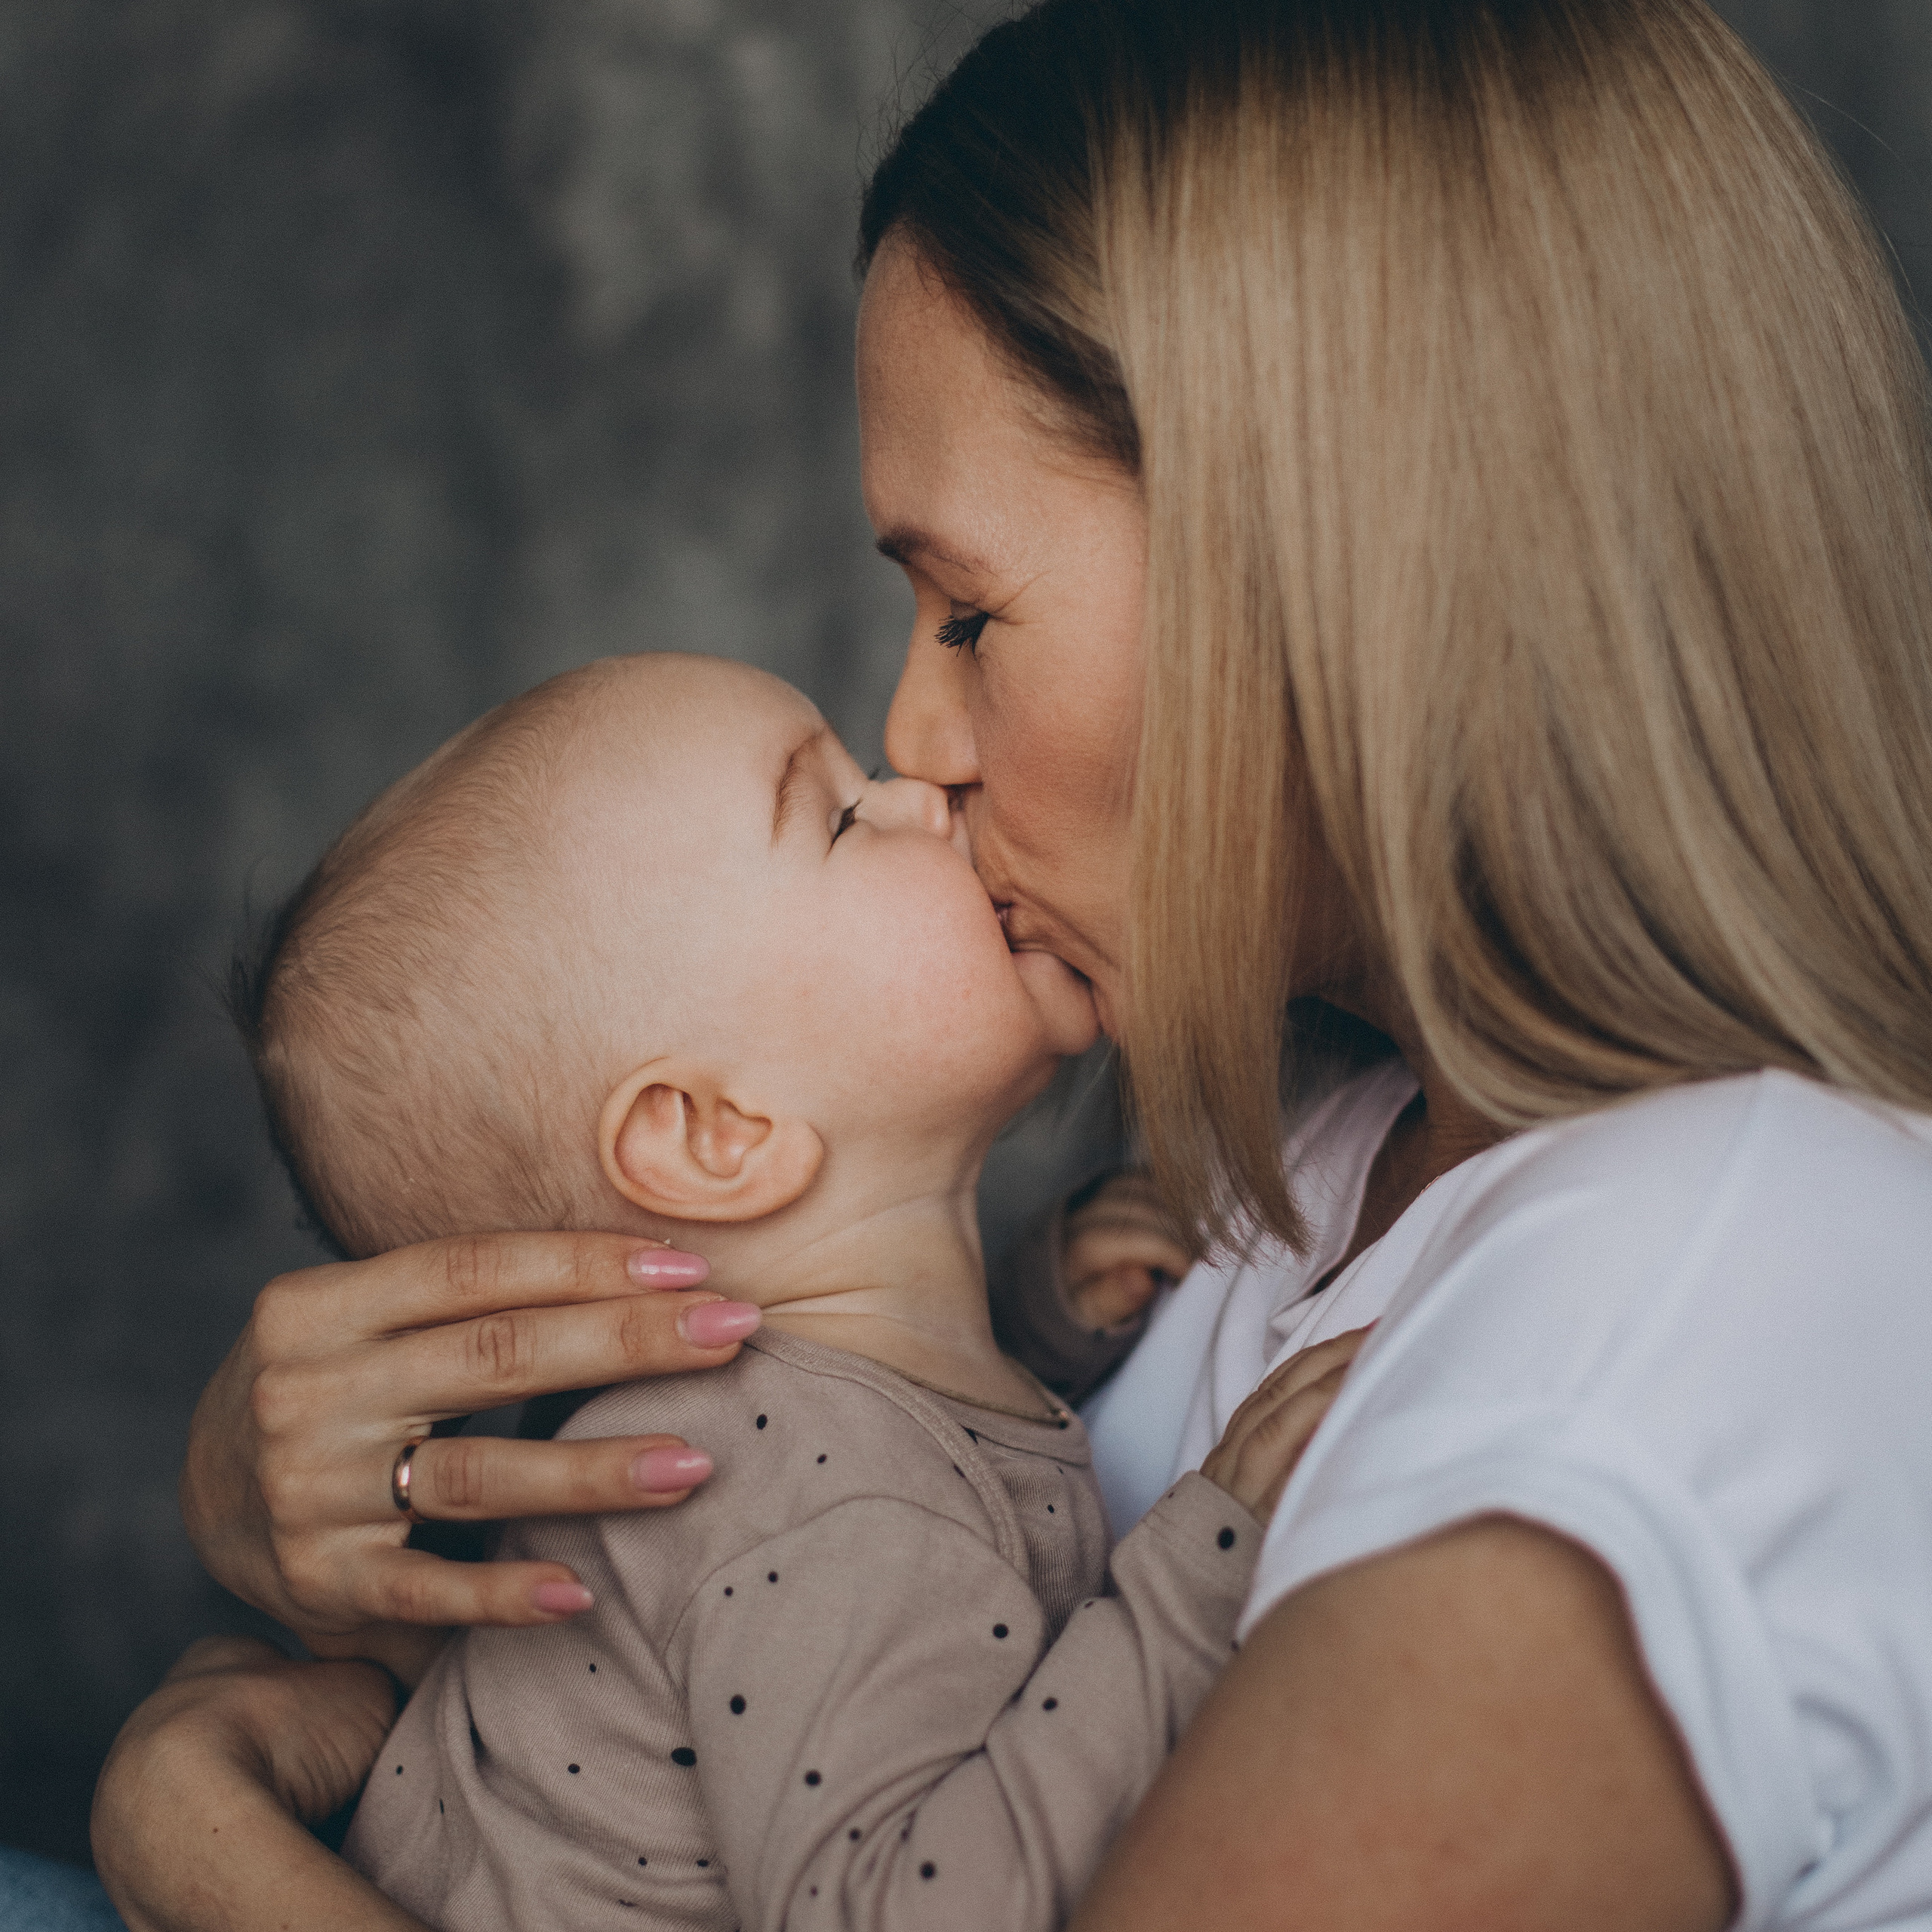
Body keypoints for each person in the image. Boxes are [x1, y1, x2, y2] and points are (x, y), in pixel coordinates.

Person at [89, 1, 1932, 1927]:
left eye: (967, 613)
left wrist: (202, 1841)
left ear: (1333, 572)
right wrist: (305, 1534)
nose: (917, 742)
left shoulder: (1697, 1291)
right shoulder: (1304, 1164)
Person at [226, 646, 1352, 1929]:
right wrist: (1193, 1586)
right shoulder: (821, 1507)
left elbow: (916, 1487)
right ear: (718, 1134)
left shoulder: (782, 1441)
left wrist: (1043, 1318)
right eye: (840, 817)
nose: (922, 791)